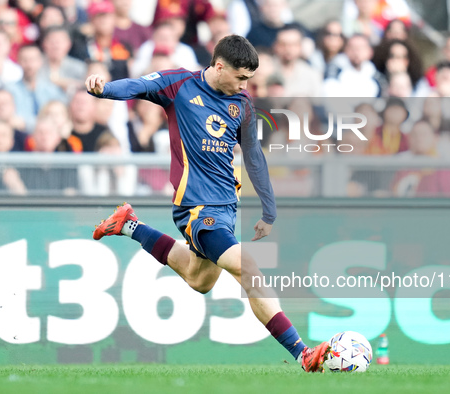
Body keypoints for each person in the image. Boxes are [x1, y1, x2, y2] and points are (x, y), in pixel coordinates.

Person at [86, 34, 329, 372]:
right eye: (241, 77)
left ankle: (129, 224)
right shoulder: (179, 85)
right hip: (196, 209)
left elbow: (254, 158)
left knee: (198, 280)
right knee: (249, 269)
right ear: (218, 67)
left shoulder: (241, 104)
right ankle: (302, 352)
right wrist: (103, 90)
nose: (245, 85)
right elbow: (137, 85)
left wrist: (269, 209)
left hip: (226, 207)